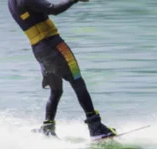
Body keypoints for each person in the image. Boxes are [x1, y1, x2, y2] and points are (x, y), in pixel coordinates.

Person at [8, 0, 116, 140]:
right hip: (54, 46)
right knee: (78, 81)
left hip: (40, 50)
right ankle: (95, 127)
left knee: (56, 90)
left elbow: (39, 12)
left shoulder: (11, 2)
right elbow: (54, 9)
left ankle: (48, 128)